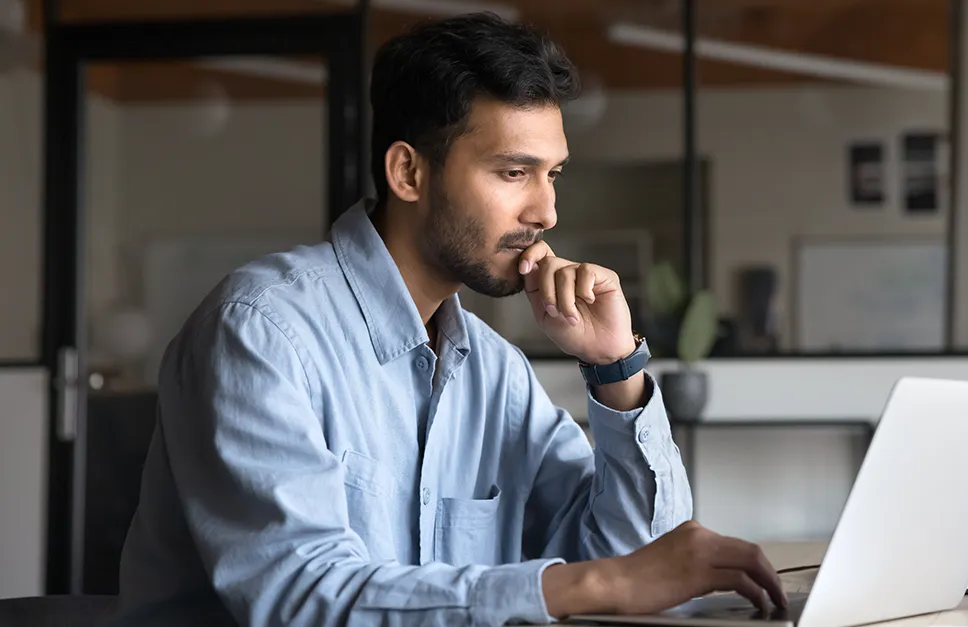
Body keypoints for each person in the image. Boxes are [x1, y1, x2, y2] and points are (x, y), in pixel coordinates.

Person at [112, 12, 785, 627]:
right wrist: (589, 583)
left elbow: (643, 568)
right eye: (514, 172)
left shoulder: (494, 371)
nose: (546, 212)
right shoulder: (260, 331)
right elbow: (300, 595)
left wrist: (616, 369)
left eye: (554, 175)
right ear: (408, 172)